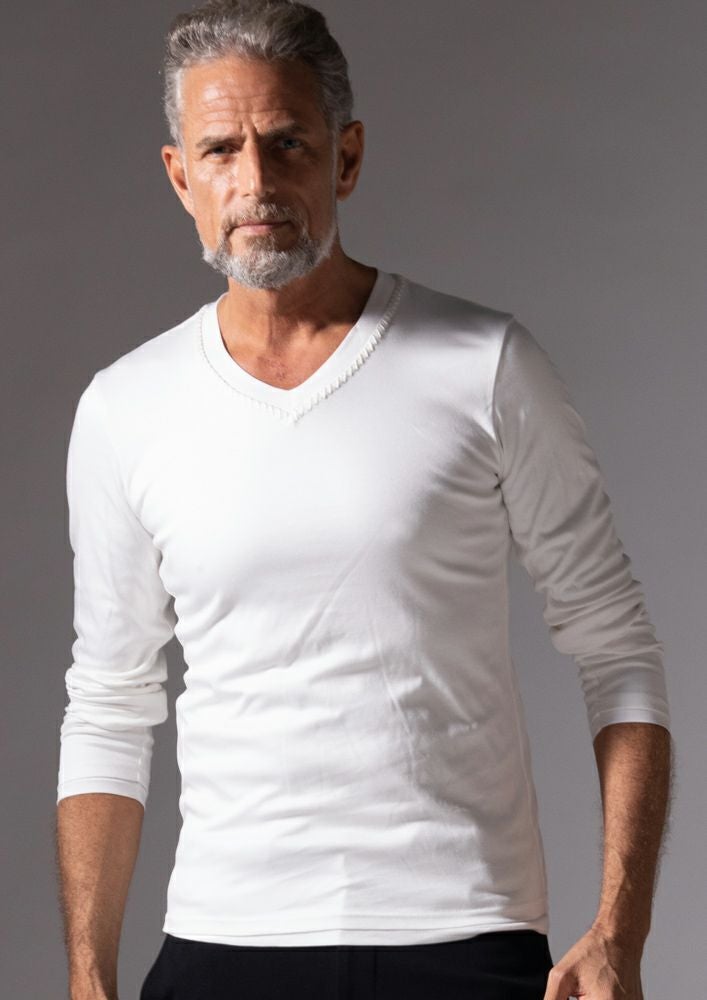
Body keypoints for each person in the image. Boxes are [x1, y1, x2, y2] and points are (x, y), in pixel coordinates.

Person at [54, 2, 673, 998]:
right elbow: (109, 704)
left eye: (286, 143)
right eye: (220, 150)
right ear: (180, 177)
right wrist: (88, 972)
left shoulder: (484, 365)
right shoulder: (128, 407)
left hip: (463, 939)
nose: (254, 182)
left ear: (344, 158)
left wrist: (618, 932)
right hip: (223, 943)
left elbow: (618, 653)